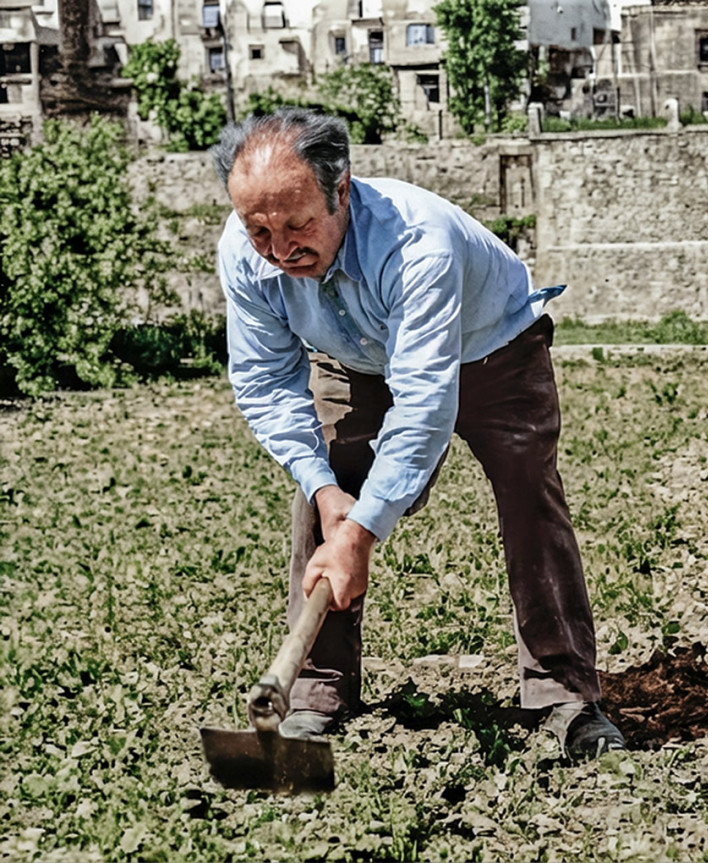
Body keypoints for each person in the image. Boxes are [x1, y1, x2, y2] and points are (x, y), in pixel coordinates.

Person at [210, 107, 624, 759]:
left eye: (297, 224)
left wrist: (363, 533)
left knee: (528, 496)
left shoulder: (415, 241)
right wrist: (325, 491)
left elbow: (424, 404)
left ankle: (566, 694)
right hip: (354, 359)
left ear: (340, 189)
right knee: (327, 490)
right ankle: (318, 690)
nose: (280, 250)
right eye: (259, 229)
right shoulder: (246, 255)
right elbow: (266, 381)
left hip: (495, 346)